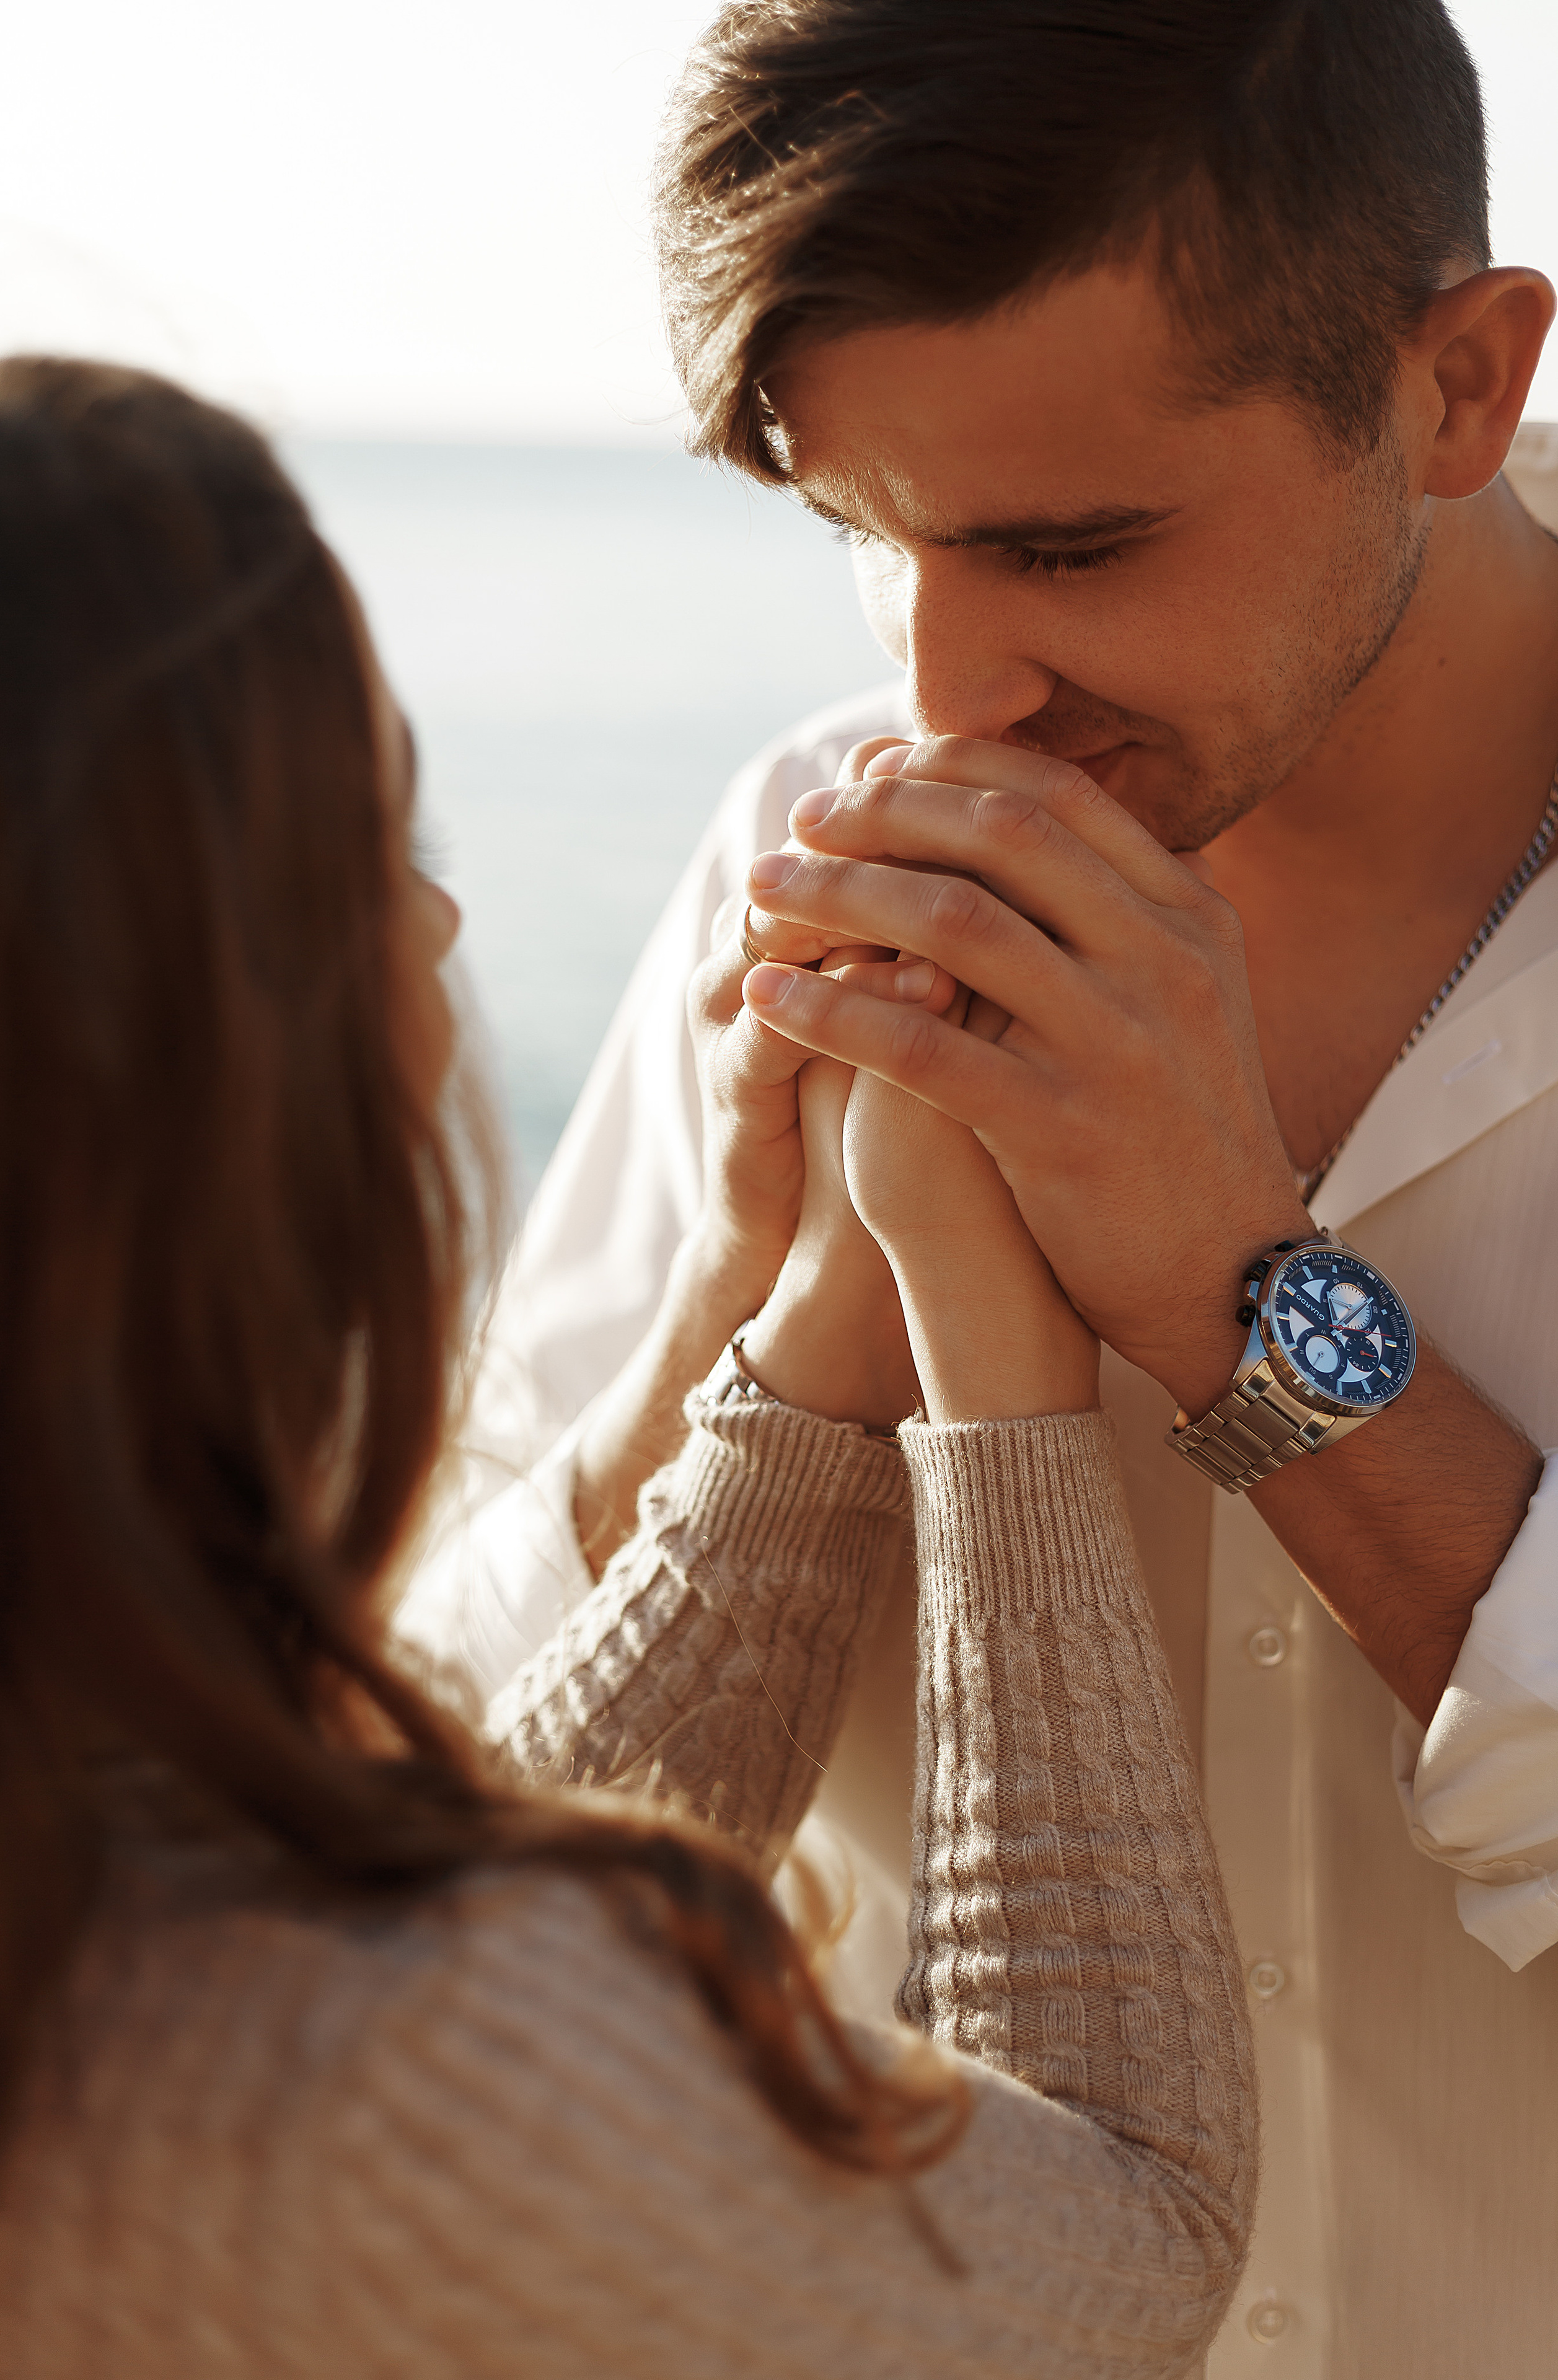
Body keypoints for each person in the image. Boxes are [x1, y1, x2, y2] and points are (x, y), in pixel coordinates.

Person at [404, 4, 1558, 2374]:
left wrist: (1256, 1311)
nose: (948, 689)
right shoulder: (789, 850)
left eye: (1069, 545)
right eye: (867, 539)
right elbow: (430, 1877)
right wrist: (743, 1325)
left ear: (1457, 382)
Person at [0, 355, 1259, 2376]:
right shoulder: (337, 2058)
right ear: (180, 1078)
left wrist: (822, 1317)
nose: (445, 920)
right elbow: (1119, 2219)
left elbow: (462, 1926)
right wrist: (996, 1379)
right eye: (381, 848)